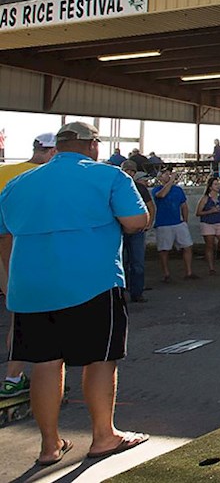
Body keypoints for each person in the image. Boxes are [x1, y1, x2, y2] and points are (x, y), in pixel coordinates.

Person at [0, 121, 151, 465]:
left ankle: (49, 447)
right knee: (100, 359)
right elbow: (135, 221)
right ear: (92, 145)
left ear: (58, 147)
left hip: (31, 288)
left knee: (44, 364)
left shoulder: (18, 184)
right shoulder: (110, 176)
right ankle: (103, 436)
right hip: (92, 283)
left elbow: (5, 233)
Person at [0, 133, 56, 399]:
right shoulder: (40, 179)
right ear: (53, 152)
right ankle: (13, 377)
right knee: (22, 315)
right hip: (14, 252)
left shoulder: (7, 171)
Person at [119, 162, 154, 304]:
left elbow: (151, 207)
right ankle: (122, 292)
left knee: (137, 263)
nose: (130, 173)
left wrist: (148, 223)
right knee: (121, 262)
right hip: (120, 230)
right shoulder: (115, 187)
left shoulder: (140, 188)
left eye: (132, 171)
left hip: (136, 230)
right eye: (127, 170)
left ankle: (136, 292)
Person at [152, 170, 195, 282]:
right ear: (160, 177)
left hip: (178, 223)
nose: (169, 176)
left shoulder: (178, 190)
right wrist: (171, 181)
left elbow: (184, 205)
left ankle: (189, 272)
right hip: (163, 223)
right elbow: (162, 195)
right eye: (166, 174)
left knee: (187, 246)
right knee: (164, 249)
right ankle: (166, 274)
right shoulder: (156, 190)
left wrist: (185, 221)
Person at [196, 176, 220, 276]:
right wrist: (210, 211)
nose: (218, 186)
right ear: (210, 187)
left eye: (219, 184)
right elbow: (198, 212)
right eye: (215, 184)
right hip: (208, 223)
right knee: (210, 245)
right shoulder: (205, 198)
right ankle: (211, 268)